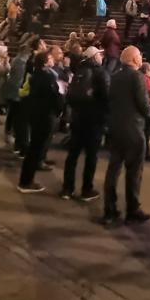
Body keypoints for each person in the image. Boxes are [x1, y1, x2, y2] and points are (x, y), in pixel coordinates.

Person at [102, 46, 150, 228]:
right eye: (139, 55)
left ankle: (110, 210)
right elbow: (143, 105)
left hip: (115, 129)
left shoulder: (114, 76)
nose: (141, 58)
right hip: (133, 130)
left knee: (113, 170)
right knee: (134, 172)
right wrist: (149, 113)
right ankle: (132, 210)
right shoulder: (137, 76)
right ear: (133, 59)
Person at [62, 46, 110, 201]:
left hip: (77, 119)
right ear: (94, 57)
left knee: (73, 155)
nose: (101, 57)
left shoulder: (78, 71)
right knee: (91, 156)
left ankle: (67, 189)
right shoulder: (99, 72)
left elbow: (70, 95)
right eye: (99, 55)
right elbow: (107, 96)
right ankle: (86, 189)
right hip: (94, 121)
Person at [17, 50, 65, 193]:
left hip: (37, 114)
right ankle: (26, 182)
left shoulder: (37, 74)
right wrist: (60, 106)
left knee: (34, 147)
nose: (52, 60)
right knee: (36, 148)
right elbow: (56, 95)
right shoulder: (47, 76)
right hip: (45, 115)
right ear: (45, 62)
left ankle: (26, 180)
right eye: (50, 58)